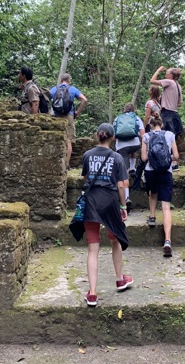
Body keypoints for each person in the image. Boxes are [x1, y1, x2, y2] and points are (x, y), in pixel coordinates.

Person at [69, 123, 133, 307]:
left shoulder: (87, 155)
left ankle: (92, 293)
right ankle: (120, 279)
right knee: (115, 240)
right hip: (110, 202)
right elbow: (121, 185)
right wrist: (123, 206)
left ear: (97, 135)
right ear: (113, 138)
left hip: (91, 202)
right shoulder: (117, 157)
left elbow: (86, 179)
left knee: (93, 248)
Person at [141, 114, 179, 258]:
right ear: (161, 124)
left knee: (152, 192)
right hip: (166, 171)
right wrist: (167, 158)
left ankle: (152, 216)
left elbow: (144, 158)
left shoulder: (146, 136)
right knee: (166, 206)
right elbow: (176, 156)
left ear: (150, 125)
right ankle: (167, 240)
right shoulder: (170, 135)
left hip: (150, 171)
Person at [50, 73, 87, 170]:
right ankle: (66, 165)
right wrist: (77, 112)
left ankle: (57, 163)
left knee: (57, 139)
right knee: (68, 141)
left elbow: (45, 98)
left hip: (56, 117)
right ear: (69, 80)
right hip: (69, 116)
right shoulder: (72, 89)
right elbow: (84, 100)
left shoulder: (54, 89)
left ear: (61, 80)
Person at [150, 66, 183, 169]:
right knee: (173, 137)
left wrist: (158, 70)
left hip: (167, 113)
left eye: (167, 72)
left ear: (171, 75)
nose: (165, 74)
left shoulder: (169, 82)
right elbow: (179, 103)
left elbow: (152, 81)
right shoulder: (178, 85)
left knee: (166, 137)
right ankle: (174, 163)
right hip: (175, 114)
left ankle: (171, 163)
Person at [113, 103, 145, 210]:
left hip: (122, 146)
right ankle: (132, 168)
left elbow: (114, 135)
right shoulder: (136, 118)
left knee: (124, 172)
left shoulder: (118, 118)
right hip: (135, 144)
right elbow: (143, 134)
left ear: (124, 110)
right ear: (133, 110)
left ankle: (126, 197)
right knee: (132, 150)